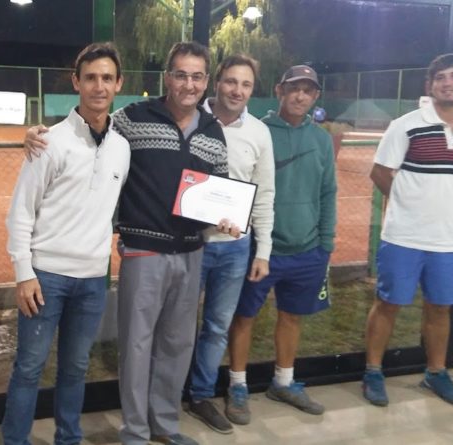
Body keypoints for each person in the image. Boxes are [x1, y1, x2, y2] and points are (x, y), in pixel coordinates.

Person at [25, 41, 233, 445]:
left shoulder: (213, 131)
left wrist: (225, 216)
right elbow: (90, 125)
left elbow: (220, 188)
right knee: (136, 346)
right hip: (143, 251)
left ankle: (165, 426)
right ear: (167, 77)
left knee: (177, 344)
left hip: (192, 251)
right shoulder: (133, 119)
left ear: (206, 81)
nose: (188, 84)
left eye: (196, 76)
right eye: (180, 74)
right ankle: (135, 432)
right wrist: (38, 133)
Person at [1, 42, 130, 445]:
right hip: (46, 278)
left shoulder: (122, 148)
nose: (98, 86)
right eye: (90, 77)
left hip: (92, 280)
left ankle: (68, 439)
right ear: (76, 82)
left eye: (106, 78)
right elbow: (21, 211)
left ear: (118, 84)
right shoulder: (49, 142)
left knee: (75, 369)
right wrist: (24, 273)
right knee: (29, 368)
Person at [362, 53, 453, 408]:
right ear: (430, 85)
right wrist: (407, 202)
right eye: (440, 77)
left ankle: (436, 373)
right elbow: (380, 172)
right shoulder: (405, 125)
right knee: (388, 304)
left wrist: (449, 198)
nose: (447, 83)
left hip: (450, 241)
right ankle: (373, 371)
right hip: (402, 237)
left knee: (440, 308)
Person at [228, 65, 337, 419]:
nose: (300, 96)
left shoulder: (321, 139)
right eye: (294, 88)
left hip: (308, 250)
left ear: (315, 96)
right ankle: (237, 385)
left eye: (308, 90)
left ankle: (284, 382)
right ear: (279, 90)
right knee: (244, 317)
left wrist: (325, 244)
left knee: (291, 317)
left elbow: (328, 192)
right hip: (262, 250)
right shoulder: (259, 132)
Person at [184, 54, 275, 434]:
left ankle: (200, 395)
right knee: (177, 325)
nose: (237, 90)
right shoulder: (189, 119)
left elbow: (264, 195)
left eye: (246, 84)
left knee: (217, 327)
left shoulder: (259, 133)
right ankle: (165, 391)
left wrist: (263, 251)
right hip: (190, 244)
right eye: (231, 81)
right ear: (217, 82)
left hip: (236, 248)